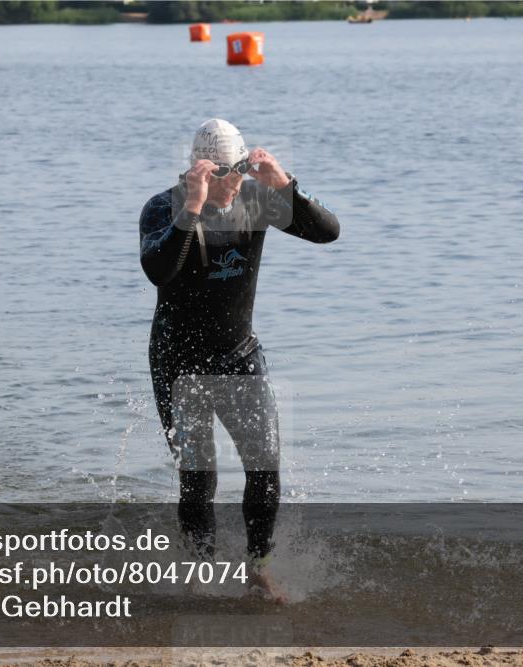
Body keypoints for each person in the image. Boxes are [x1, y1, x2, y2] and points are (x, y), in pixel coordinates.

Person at [138, 119, 340, 602]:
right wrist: (192, 207)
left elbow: (329, 232)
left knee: (265, 468)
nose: (232, 182)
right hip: (178, 362)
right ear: (196, 168)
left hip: (238, 354)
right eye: (221, 172)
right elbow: (156, 269)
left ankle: (259, 568)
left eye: (240, 169)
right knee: (198, 479)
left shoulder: (254, 200)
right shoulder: (162, 208)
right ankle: (204, 573)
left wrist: (285, 187)